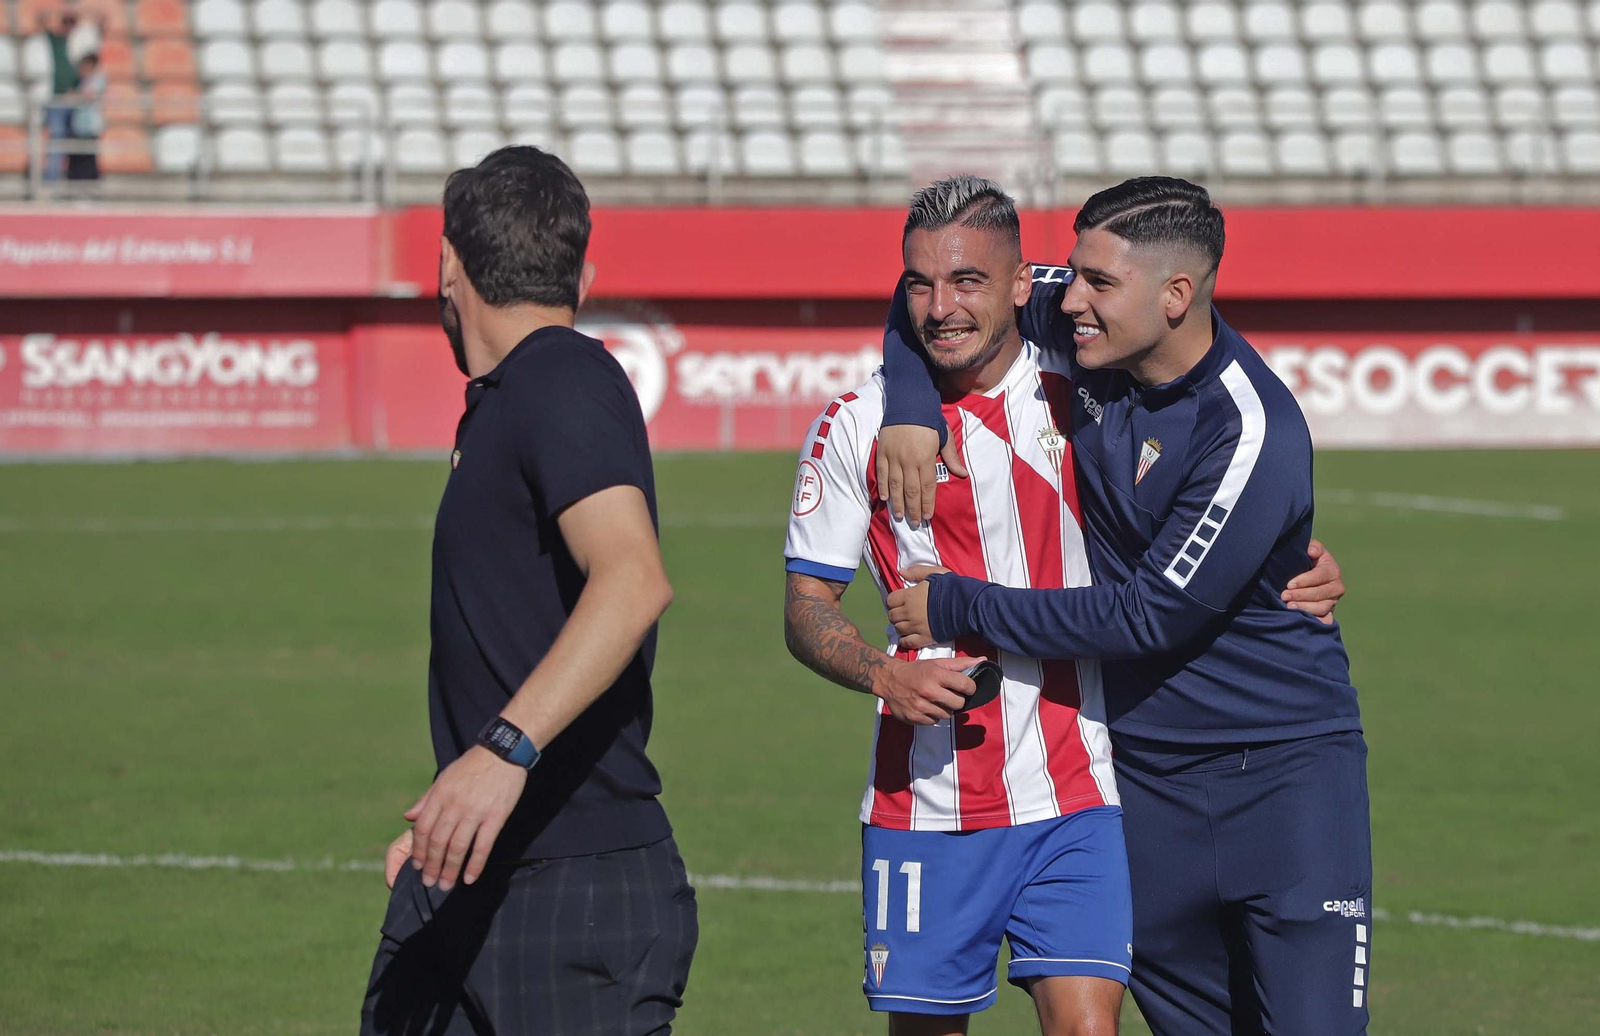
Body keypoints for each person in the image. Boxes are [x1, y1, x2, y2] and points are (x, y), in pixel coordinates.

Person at [782, 176, 1347, 1036]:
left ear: (1019, 287)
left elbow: (1154, 601)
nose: (942, 307)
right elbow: (804, 605)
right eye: (921, 284)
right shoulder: (861, 422)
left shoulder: (1085, 378)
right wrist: (878, 673)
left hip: (1098, 785)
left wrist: (1274, 558)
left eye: (969, 282)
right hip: (938, 797)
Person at [361, 146, 697, 1036]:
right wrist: (454, 805)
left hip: (569, 894)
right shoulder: (514, 393)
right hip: (477, 865)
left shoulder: (561, 373)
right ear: (581, 270)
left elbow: (632, 580)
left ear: (447, 263)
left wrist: (498, 756)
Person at [65, 52, 104, 182]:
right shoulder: (80, 82)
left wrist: (75, 95)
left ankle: (89, 190)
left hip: (90, 127)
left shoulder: (98, 80)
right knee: (76, 160)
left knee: (88, 160)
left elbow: (88, 96)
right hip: (78, 127)